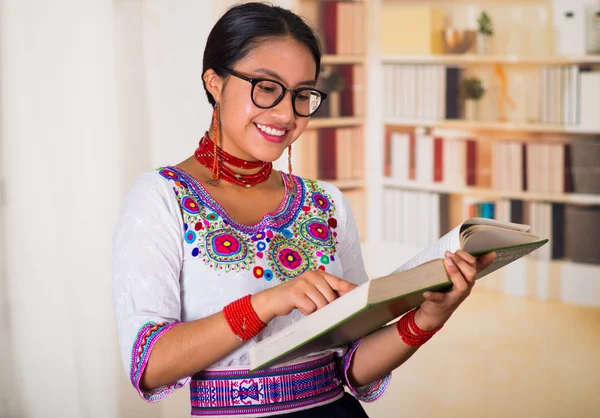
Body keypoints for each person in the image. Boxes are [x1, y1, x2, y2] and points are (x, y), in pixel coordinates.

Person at [112, 3, 497, 417]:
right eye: (266, 86)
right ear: (215, 82)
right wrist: (267, 303)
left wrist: (428, 317)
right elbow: (149, 365)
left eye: (302, 95)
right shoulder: (161, 198)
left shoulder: (325, 204)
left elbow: (353, 367)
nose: (285, 113)